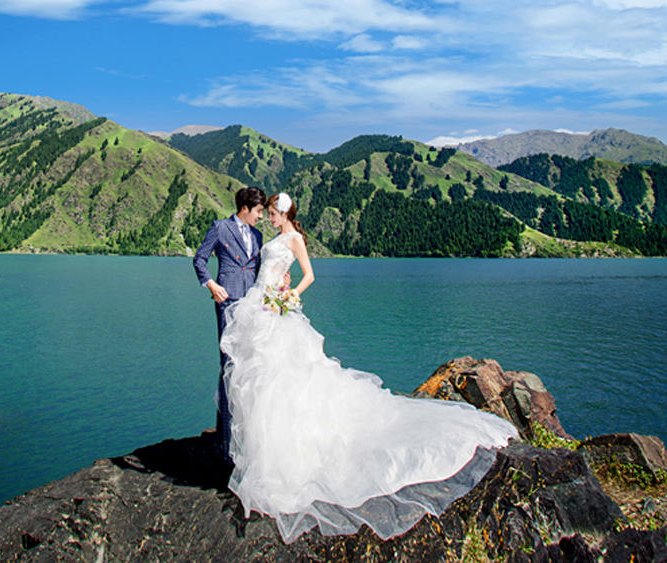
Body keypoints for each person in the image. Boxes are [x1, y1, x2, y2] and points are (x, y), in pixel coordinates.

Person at [220, 192, 518, 543]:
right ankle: (259, 456)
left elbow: (309, 276)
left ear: (283, 213)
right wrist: (277, 288)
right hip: (259, 306)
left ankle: (281, 456)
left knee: (284, 380)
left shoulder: (295, 238)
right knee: (258, 380)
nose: (268, 217)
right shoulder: (272, 238)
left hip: (277, 309)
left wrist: (289, 294)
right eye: (266, 213)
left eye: (271, 212)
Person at [192, 186, 268, 466]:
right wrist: (211, 284)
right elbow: (199, 259)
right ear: (245, 208)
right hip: (227, 304)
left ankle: (245, 438)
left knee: (250, 368)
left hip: (253, 307)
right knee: (229, 366)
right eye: (259, 211)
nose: (261, 217)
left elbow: (259, 271)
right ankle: (225, 444)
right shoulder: (220, 227)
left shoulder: (258, 235)